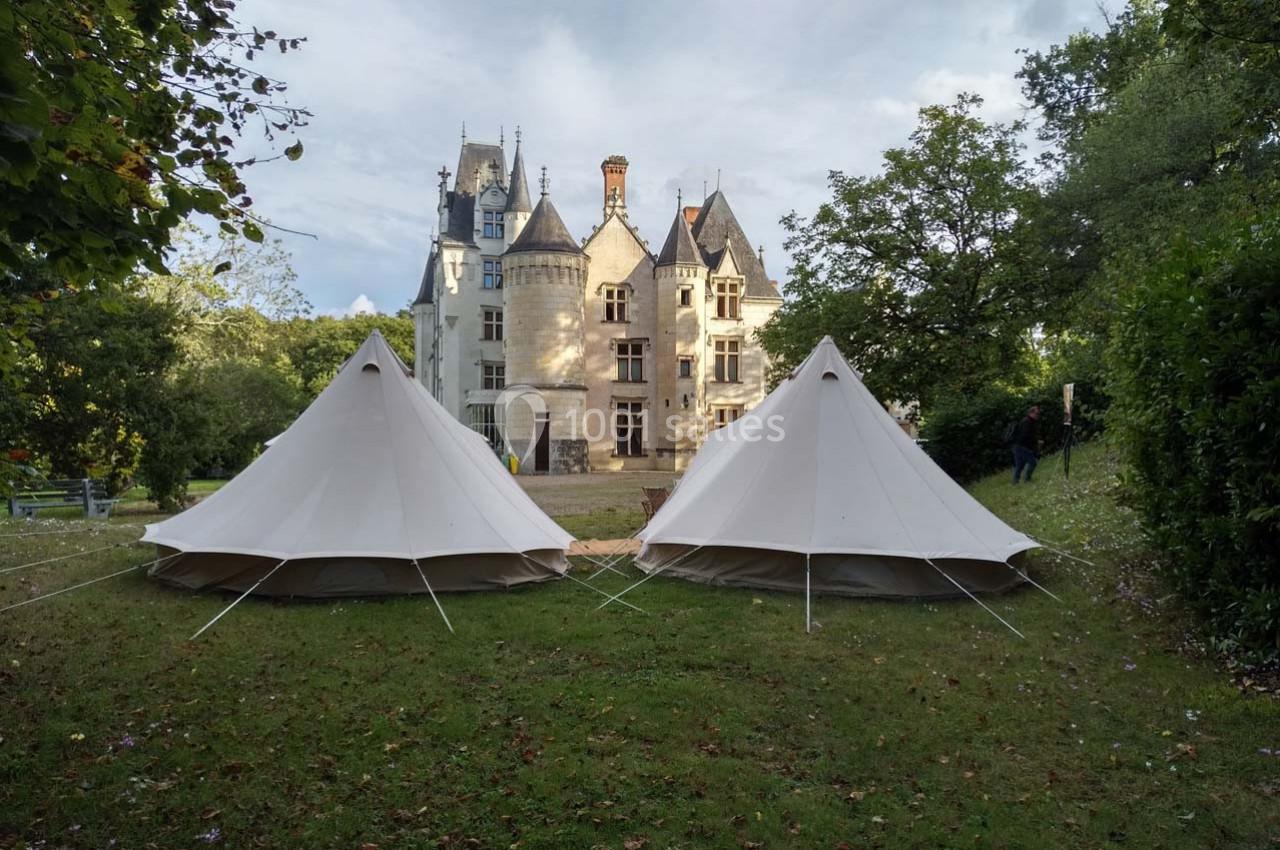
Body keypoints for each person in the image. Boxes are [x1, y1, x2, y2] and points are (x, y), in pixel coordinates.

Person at [1011, 405, 1041, 484]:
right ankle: (1027, 479)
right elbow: (1025, 435)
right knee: (1032, 462)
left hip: (1017, 445)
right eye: (1036, 414)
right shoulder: (1027, 422)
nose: (1038, 415)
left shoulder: (1029, 421)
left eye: (1038, 414)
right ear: (1031, 413)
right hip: (1020, 446)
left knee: (1019, 465)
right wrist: (1036, 441)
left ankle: (1015, 482)